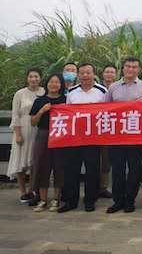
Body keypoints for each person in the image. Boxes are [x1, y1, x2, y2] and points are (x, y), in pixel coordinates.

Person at [104, 57, 142, 213]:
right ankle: (117, 201)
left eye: (134, 67)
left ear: (139, 69)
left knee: (134, 170)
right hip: (117, 137)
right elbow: (105, 109)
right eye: (128, 66)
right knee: (117, 170)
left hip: (136, 136)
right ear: (123, 68)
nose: (131, 69)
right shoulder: (113, 87)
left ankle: (130, 200)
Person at [58, 63, 107, 213]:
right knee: (71, 169)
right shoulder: (71, 91)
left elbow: (108, 113)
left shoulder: (102, 91)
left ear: (94, 74)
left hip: (93, 138)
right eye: (82, 73)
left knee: (93, 169)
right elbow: (66, 113)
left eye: (88, 73)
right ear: (78, 75)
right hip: (74, 137)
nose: (85, 75)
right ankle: (71, 201)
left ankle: (90, 200)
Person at [29, 73, 67, 212]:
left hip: (61, 135)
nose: (54, 84)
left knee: (59, 167)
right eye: (51, 82)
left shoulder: (66, 100)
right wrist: (42, 111)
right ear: (47, 84)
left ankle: (56, 199)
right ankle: (43, 200)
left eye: (57, 82)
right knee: (42, 166)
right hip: (43, 135)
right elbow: (33, 122)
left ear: (61, 85)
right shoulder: (40, 100)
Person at [7, 68, 44, 203]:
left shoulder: (44, 92)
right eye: (31, 76)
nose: (33, 79)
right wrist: (18, 134)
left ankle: (31, 190)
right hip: (23, 129)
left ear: (40, 78)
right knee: (20, 161)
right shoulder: (20, 94)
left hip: (38, 130)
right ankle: (22, 191)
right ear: (27, 78)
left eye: (36, 76)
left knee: (35, 161)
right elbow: (15, 115)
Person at [98, 63, 118, 200]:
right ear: (102, 74)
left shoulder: (117, 88)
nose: (109, 74)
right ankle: (95, 187)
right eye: (107, 72)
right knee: (95, 160)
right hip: (97, 127)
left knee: (107, 160)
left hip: (113, 128)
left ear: (116, 75)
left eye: (112, 72)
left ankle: (103, 187)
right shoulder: (97, 88)